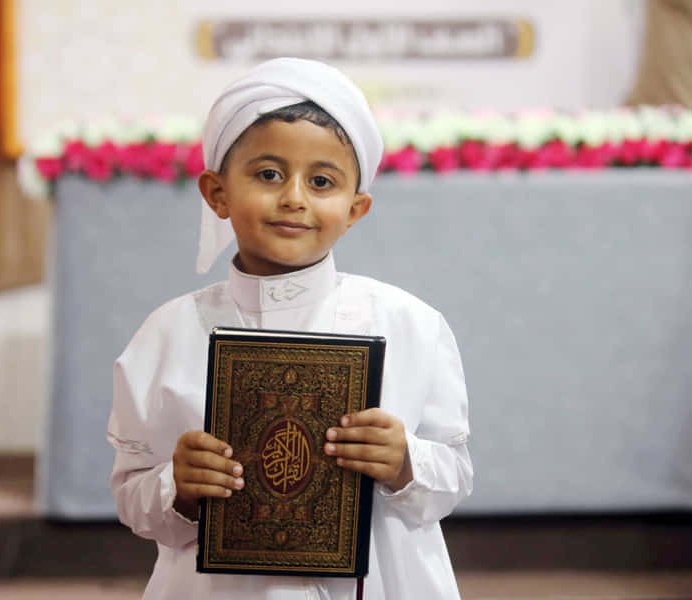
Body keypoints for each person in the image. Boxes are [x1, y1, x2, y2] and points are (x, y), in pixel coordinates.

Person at [107, 57, 473, 599]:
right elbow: (132, 498)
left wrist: (404, 461)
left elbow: (455, 476)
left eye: (321, 181)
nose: (294, 197)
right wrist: (177, 487)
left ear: (356, 208)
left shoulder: (410, 325)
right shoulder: (168, 333)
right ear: (217, 192)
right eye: (269, 174)